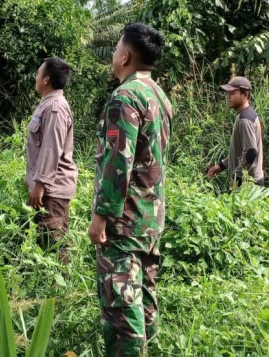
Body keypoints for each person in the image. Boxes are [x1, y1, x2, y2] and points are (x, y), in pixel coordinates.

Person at [89, 23, 173, 356]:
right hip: (151, 218)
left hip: (124, 222)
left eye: (115, 49)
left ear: (125, 56)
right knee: (146, 301)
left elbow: (117, 164)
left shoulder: (124, 97)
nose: (112, 55)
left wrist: (101, 216)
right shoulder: (159, 96)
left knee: (123, 310)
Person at [26, 57, 77, 263]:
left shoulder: (55, 107)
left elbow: (51, 148)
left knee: (53, 244)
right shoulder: (47, 104)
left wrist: (40, 184)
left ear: (46, 79)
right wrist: (30, 178)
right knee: (44, 241)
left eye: (38, 74)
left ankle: (59, 290)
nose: (36, 78)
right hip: (46, 187)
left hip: (52, 190)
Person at [205, 76, 265, 187]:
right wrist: (222, 165)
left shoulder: (245, 119)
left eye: (232, 93)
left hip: (249, 184)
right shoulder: (245, 115)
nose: (228, 97)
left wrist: (237, 177)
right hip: (248, 181)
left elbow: (250, 153)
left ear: (245, 94)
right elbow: (242, 151)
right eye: (227, 93)